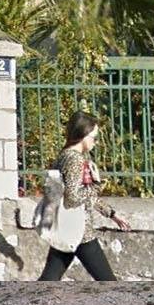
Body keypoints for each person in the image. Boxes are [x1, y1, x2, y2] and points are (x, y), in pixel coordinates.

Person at [37, 110, 129, 281]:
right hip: (80, 232)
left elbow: (77, 195)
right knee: (108, 282)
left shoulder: (63, 156)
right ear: (83, 134)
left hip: (67, 227)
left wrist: (111, 214)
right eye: (94, 137)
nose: (96, 142)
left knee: (48, 279)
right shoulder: (75, 160)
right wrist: (96, 185)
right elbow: (73, 198)